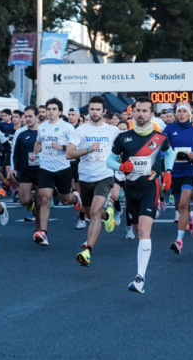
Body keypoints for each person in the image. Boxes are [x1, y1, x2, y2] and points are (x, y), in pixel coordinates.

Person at [107, 97, 175, 293]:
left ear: (151, 114)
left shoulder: (160, 137)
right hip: (131, 190)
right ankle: (151, 213)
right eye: (137, 110)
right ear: (132, 112)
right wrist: (120, 166)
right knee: (138, 229)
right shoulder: (123, 137)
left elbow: (170, 153)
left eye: (145, 111)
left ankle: (140, 278)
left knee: (144, 230)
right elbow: (109, 161)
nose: (140, 114)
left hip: (149, 188)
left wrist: (168, 171)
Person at [67, 96, 121, 267]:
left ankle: (88, 250)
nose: (95, 112)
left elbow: (124, 149)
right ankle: (108, 215)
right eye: (92, 109)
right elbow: (69, 154)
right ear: (88, 111)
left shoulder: (113, 131)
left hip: (105, 176)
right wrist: (88, 149)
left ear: (104, 111)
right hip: (85, 177)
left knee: (96, 210)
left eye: (98, 109)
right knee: (90, 213)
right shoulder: (81, 131)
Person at [30, 98, 82, 247]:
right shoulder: (42, 126)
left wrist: (62, 147)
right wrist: (34, 153)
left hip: (62, 168)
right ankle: (43, 233)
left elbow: (77, 147)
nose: (50, 112)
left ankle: (75, 199)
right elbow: (39, 142)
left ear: (59, 112)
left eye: (54, 109)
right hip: (45, 168)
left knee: (65, 199)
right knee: (45, 199)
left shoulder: (67, 128)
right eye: (49, 109)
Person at [163, 104, 193, 255]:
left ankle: (179, 241)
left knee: (183, 203)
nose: (181, 114)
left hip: (189, 170)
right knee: (180, 206)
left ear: (189, 114)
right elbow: (160, 149)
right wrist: (173, 155)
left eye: (184, 111)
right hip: (174, 171)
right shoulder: (169, 129)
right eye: (179, 111)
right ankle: (191, 219)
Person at [11, 106, 40, 223]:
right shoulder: (20, 132)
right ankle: (30, 202)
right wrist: (14, 168)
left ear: (37, 117)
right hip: (26, 170)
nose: (27, 119)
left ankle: (39, 227)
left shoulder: (43, 131)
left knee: (40, 202)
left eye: (30, 116)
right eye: (26, 116)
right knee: (24, 200)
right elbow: (15, 152)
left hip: (41, 170)